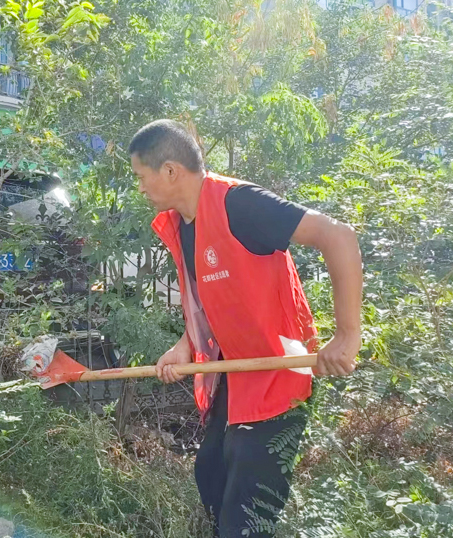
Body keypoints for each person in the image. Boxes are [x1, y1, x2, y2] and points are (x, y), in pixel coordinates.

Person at [129, 119, 362, 537]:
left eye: (140, 177)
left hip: (280, 373)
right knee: (211, 474)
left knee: (245, 518)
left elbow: (339, 236)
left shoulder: (241, 204)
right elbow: (213, 301)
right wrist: (185, 344)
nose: (140, 187)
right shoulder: (183, 223)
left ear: (169, 171)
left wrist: (346, 334)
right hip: (237, 373)